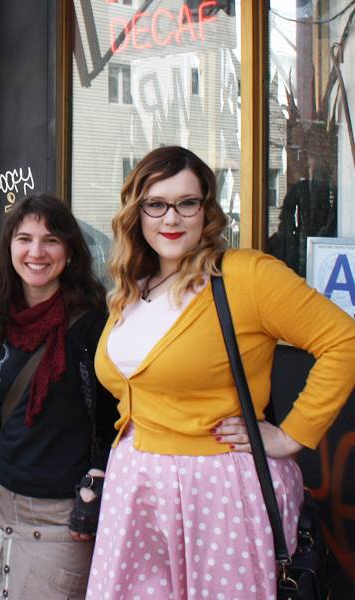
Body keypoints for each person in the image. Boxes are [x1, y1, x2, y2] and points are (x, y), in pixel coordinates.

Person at [87, 146, 355, 599]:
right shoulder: (134, 286)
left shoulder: (247, 276)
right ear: (136, 212)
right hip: (136, 486)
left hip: (217, 491)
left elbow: (343, 340)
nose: (171, 218)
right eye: (156, 204)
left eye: (187, 203)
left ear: (206, 210)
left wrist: (292, 436)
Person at [0, 194, 119, 599]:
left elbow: (118, 420)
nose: (36, 252)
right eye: (24, 239)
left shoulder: (93, 327)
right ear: (9, 247)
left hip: (62, 522)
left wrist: (96, 482)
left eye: (51, 240)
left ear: (70, 251)